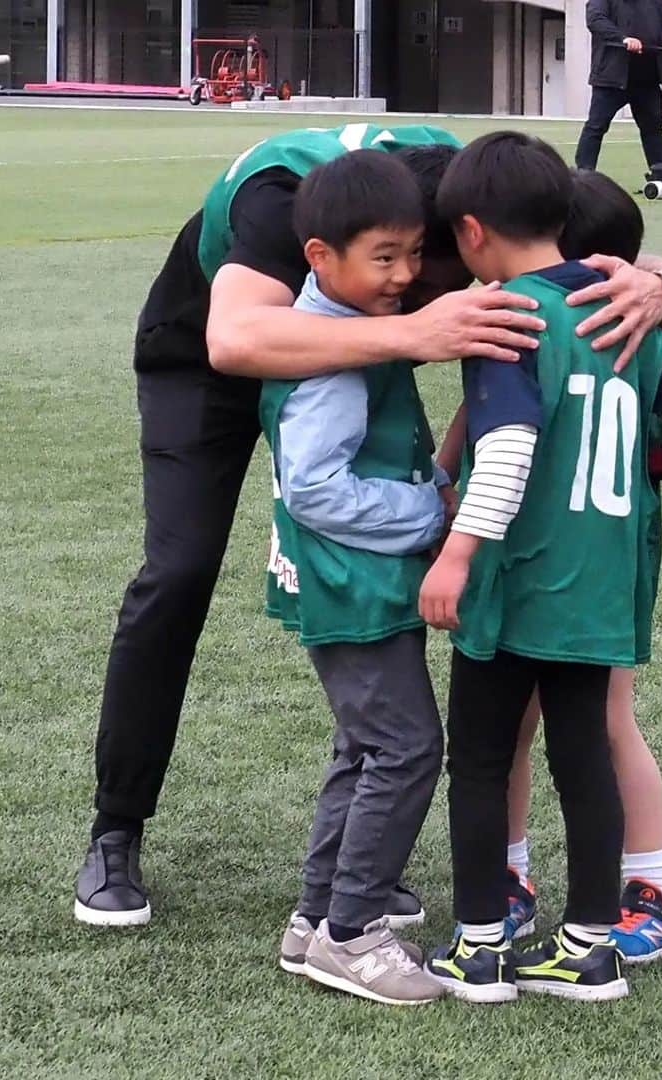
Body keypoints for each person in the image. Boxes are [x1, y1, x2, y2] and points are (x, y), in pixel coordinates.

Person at [72, 119, 662, 929]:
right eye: (400, 266)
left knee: (382, 594)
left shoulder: (461, 180)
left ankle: (355, 852)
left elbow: (592, 247)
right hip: (208, 363)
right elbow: (234, 338)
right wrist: (414, 332)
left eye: (425, 268)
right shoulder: (286, 198)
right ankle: (115, 830)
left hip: (368, 351)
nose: (423, 280)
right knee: (181, 567)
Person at [419, 133, 662, 1004]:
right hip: (604, 587)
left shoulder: (510, 316)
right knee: (585, 761)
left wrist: (456, 555)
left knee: (484, 762)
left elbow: (510, 452)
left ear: (471, 231)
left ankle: (479, 945)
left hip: (518, 581)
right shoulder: (629, 309)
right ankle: (590, 947)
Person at [499, 170, 662, 964]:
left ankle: (652, 889)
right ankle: (508, 879)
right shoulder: (525, 325)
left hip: (603, 565)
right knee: (512, 722)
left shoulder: (641, 341)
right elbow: (480, 416)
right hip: (521, 558)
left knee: (609, 719)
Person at [263, 150, 450, 1005]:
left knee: (363, 747)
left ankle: (315, 919)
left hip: (350, 585)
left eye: (414, 253)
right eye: (385, 257)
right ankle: (354, 933)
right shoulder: (332, 356)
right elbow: (314, 487)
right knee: (408, 749)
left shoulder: (340, 329)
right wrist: (433, 516)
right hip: (355, 586)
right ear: (319, 258)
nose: (405, 275)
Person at [576, 0, 662, 172]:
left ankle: (661, 172)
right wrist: (623, 38)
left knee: (653, 127)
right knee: (596, 126)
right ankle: (584, 174)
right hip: (612, 77)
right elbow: (595, 19)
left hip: (649, 76)